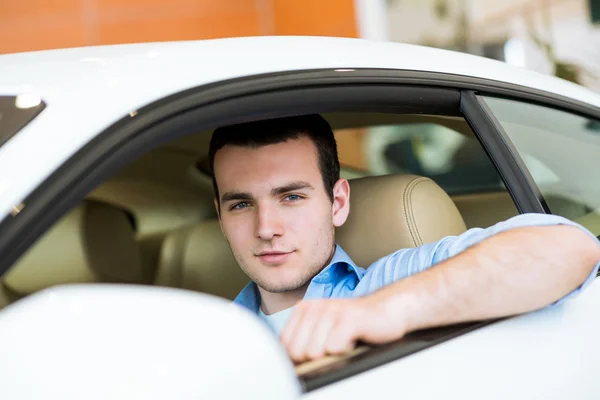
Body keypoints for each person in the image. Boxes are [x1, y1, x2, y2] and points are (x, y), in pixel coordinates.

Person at [208, 114, 600, 363]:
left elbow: (569, 249)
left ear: (338, 202)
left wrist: (381, 312)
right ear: (220, 216)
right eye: (241, 205)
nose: (266, 228)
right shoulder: (207, 334)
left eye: (291, 197)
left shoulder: (389, 283)